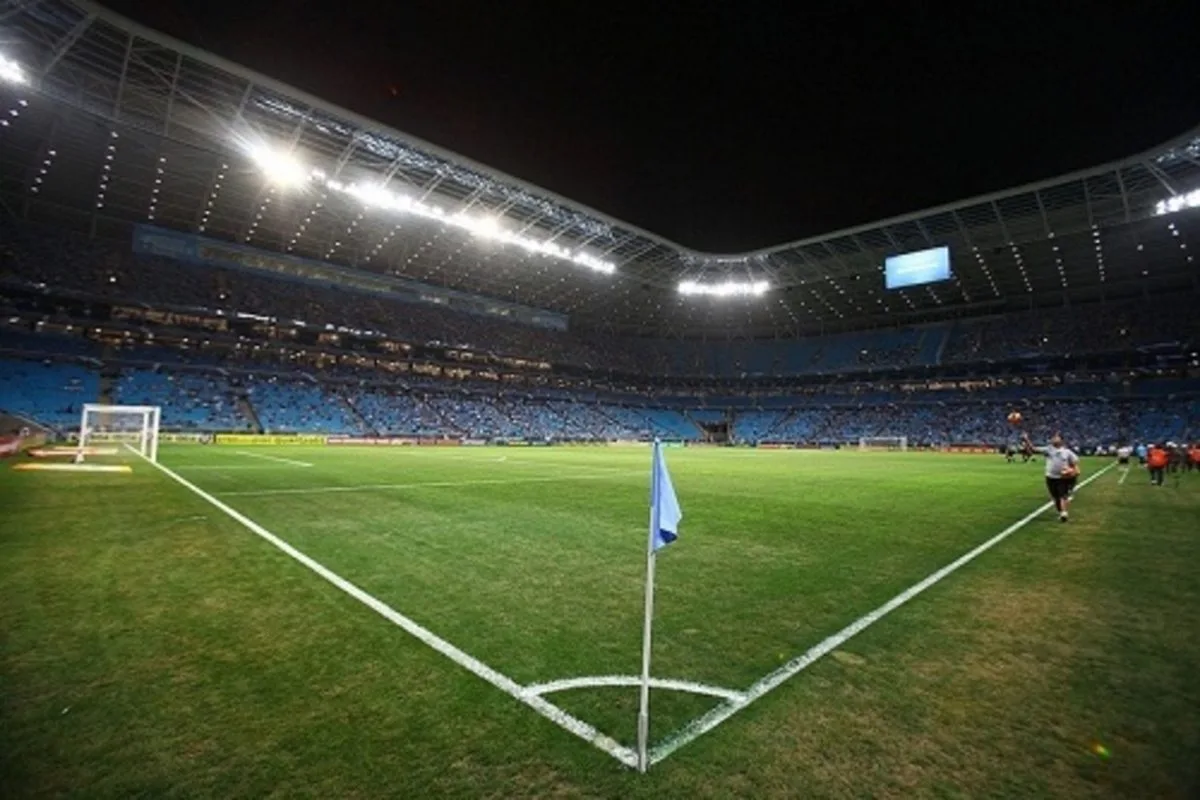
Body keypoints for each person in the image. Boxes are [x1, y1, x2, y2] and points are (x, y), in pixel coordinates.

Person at [1023, 432, 1081, 522]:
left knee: (1063, 495)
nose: (1053, 439)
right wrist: (1026, 439)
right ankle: (1061, 512)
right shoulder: (1048, 449)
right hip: (1050, 477)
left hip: (1062, 478)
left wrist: (1072, 472)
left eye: (1056, 437)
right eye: (1053, 437)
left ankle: (1064, 513)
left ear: (1061, 440)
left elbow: (1075, 465)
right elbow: (1033, 449)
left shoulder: (1067, 452)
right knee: (1055, 497)